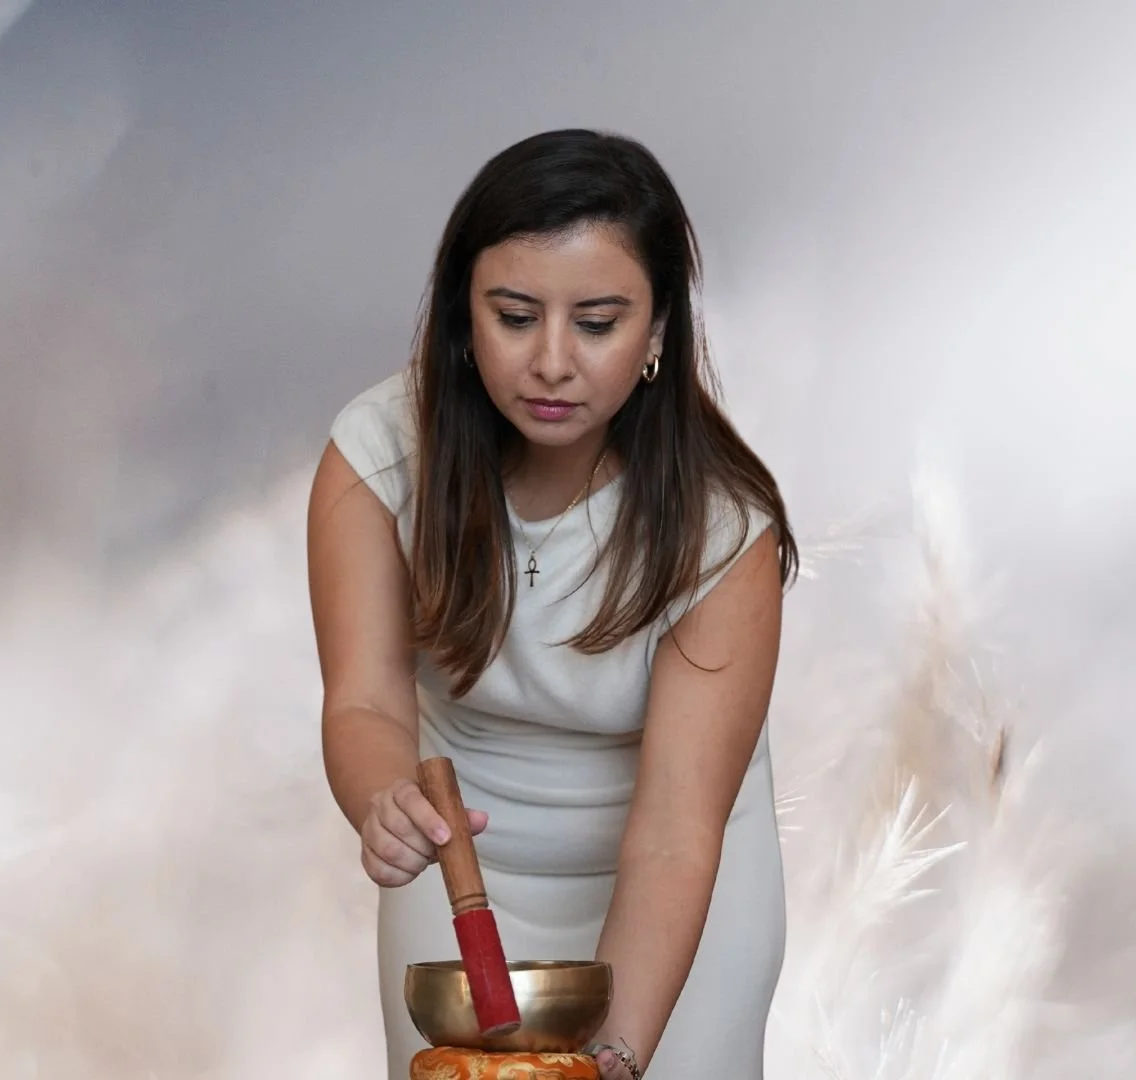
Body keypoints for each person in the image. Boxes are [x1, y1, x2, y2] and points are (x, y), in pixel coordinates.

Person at [307, 128, 798, 1080]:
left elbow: (673, 831)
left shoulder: (727, 528)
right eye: (516, 316)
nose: (553, 363)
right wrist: (386, 803)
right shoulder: (373, 459)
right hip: (461, 887)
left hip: (676, 884)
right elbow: (364, 703)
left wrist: (609, 1061)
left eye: (599, 322)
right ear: (464, 316)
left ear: (658, 331)